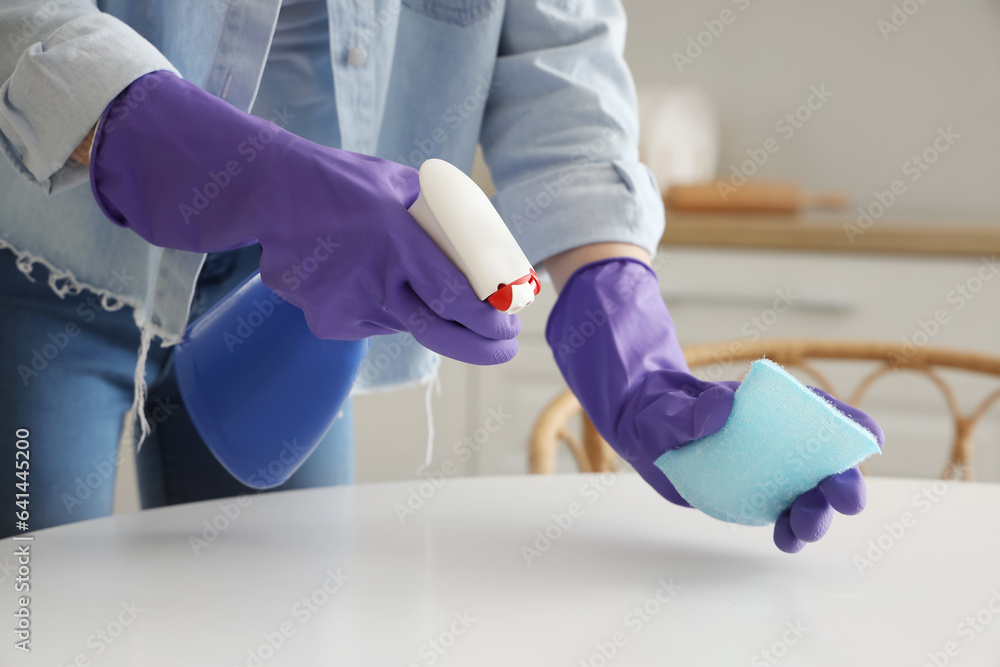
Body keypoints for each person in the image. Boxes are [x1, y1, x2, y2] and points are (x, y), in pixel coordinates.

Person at [0, 0, 881, 551]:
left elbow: (559, 78)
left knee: (272, 624)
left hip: (302, 301)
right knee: (32, 614)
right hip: (49, 252)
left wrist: (636, 363)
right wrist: (259, 177)